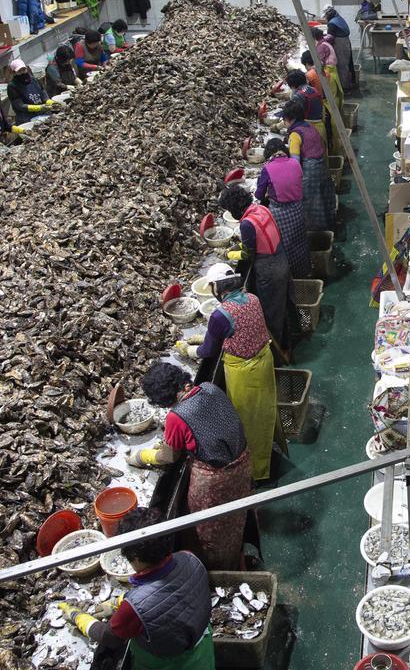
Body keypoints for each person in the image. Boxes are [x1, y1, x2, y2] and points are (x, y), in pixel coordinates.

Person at [58, 507, 216, 668]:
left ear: (134, 557)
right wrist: (118, 602)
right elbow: (173, 596)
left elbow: (110, 638)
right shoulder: (189, 558)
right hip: (201, 652)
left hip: (167, 664)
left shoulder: (133, 610)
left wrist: (79, 618)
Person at [128, 362, 251, 570]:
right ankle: (234, 557)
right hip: (243, 464)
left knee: (210, 528)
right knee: (234, 519)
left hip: (216, 480)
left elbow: (170, 456)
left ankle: (216, 570)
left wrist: (142, 456)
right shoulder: (209, 388)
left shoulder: (176, 417)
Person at [182, 270, 284, 481]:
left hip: (245, 374)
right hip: (264, 361)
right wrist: (208, 334)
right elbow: (238, 329)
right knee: (265, 410)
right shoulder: (252, 298)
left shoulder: (221, 315)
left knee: (248, 420)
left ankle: (255, 472)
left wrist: (188, 350)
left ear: (217, 287)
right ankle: (267, 454)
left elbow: (208, 351)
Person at [219, 185, 292, 360]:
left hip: (269, 271)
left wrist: (230, 254)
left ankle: (275, 354)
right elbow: (262, 237)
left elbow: (248, 255)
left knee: (270, 312)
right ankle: (288, 341)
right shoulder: (262, 209)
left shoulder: (246, 224)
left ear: (235, 208)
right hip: (282, 261)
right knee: (284, 304)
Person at [256, 137, 311, 279]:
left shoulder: (267, 169)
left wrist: (269, 191)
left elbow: (259, 194)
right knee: (299, 243)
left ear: (269, 153)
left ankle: (290, 278)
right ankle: (304, 274)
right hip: (298, 210)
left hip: (280, 213)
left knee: (285, 246)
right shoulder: (295, 163)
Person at [283, 99, 333, 232]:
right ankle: (328, 228)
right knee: (322, 198)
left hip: (310, 170)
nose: (284, 123)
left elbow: (294, 163)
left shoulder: (294, 135)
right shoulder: (310, 126)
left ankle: (315, 233)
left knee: (310, 202)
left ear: (289, 119)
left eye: (284, 119)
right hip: (322, 166)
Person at [6, 59, 59, 124]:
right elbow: (20, 106)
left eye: (24, 69)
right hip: (27, 118)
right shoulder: (12, 86)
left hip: (41, 113)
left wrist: (51, 102)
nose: (23, 72)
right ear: (14, 73)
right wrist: (39, 107)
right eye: (19, 71)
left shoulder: (33, 79)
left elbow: (43, 93)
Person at [323, 6, 355, 92]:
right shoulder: (338, 17)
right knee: (346, 64)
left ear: (328, 15)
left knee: (342, 65)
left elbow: (330, 38)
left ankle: (344, 88)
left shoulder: (332, 23)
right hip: (345, 41)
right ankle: (348, 84)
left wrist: (321, 39)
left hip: (340, 44)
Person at [285, 69, 325, 137]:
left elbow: (291, 117)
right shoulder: (312, 89)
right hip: (321, 127)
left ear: (293, 86)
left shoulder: (298, 96)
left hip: (310, 130)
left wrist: (276, 126)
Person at [312, 27, 343, 107]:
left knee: (331, 97)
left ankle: (333, 117)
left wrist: (311, 69)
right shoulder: (325, 42)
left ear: (314, 38)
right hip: (333, 70)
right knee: (335, 95)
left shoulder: (321, 46)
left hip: (329, 71)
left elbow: (320, 63)